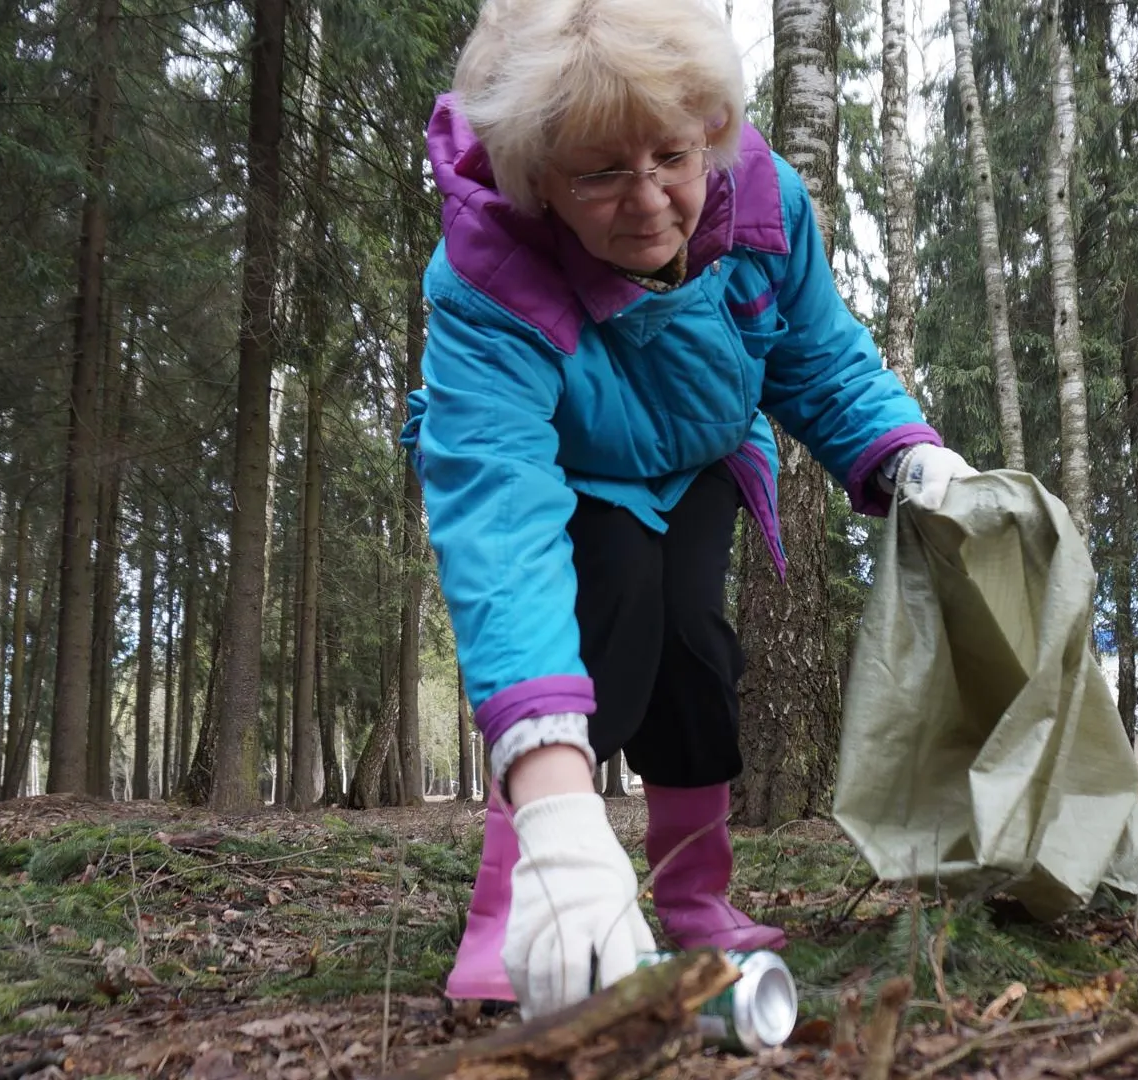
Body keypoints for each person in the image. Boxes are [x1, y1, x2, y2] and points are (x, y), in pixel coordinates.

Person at [399, 0, 976, 1020]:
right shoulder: (487, 278)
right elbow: (499, 517)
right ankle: (524, 893)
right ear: (538, 181)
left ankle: (694, 894)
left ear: (710, 127)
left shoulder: (762, 204)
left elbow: (818, 358)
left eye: (671, 154)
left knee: (698, 657)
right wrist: (558, 804)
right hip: (570, 473)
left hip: (704, 456)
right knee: (604, 625)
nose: (652, 200)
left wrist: (912, 459)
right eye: (601, 174)